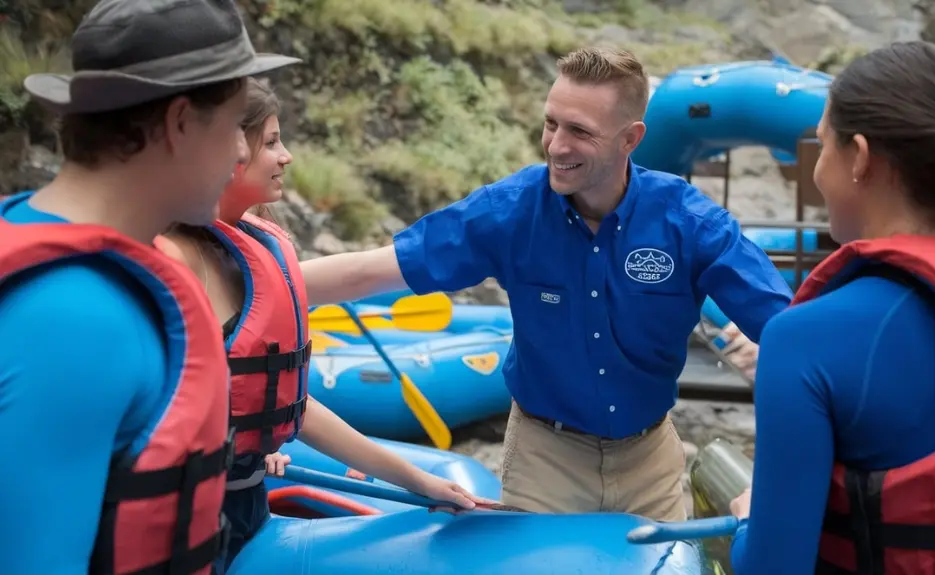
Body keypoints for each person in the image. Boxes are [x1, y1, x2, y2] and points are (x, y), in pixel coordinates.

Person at [296, 46, 794, 521]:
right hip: (543, 458)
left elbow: (794, 331)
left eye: (579, 130)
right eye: (551, 123)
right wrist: (247, 286)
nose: (556, 145)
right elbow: (372, 269)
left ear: (630, 139)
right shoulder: (508, 212)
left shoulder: (690, 222)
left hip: (650, 461)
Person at [0, 1, 301, 574]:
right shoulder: (75, 320)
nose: (242, 152)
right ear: (180, 121)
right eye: (236, 125)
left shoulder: (83, 271)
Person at [156, 77, 494, 573]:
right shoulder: (175, 260)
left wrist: (416, 479)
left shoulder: (253, 251)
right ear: (227, 150)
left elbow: (288, 406)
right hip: (186, 521)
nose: (286, 156)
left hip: (246, 508)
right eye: (271, 142)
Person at [727, 41, 935, 574]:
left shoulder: (802, 339)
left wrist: (752, 520)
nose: (817, 169)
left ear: (859, 157)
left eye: (821, 146)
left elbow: (773, 569)